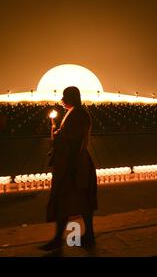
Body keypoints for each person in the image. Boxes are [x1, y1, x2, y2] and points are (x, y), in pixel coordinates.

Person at [39, 86, 98, 251]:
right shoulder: (75, 113)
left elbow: (73, 140)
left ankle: (61, 238)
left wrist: (57, 135)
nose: (62, 100)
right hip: (72, 161)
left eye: (65, 96)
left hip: (74, 163)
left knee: (67, 198)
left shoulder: (79, 115)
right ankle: (86, 234)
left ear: (73, 97)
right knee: (78, 199)